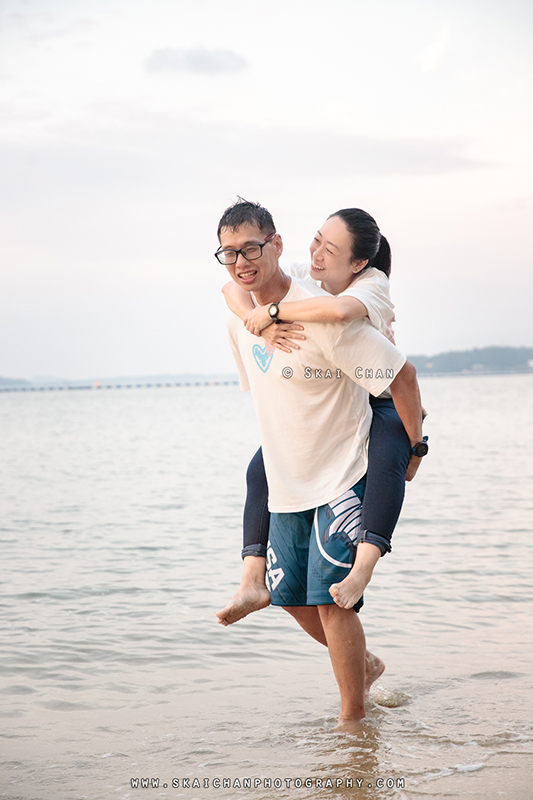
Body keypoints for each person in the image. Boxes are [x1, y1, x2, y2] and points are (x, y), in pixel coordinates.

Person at [215, 199, 426, 729]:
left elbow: (400, 376)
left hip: (341, 471)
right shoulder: (239, 318)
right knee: (288, 597)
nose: (241, 262)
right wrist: (258, 321)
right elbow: (267, 379)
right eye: (229, 253)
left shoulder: (325, 315)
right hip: (289, 477)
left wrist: (415, 445)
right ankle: (365, 666)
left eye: (251, 249)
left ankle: (352, 730)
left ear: (275, 245)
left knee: (334, 604)